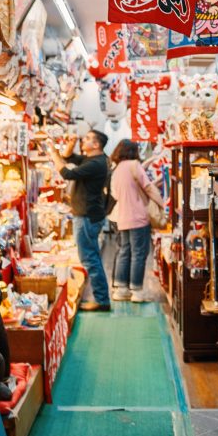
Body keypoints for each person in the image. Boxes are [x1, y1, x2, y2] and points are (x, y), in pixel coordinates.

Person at [49, 130, 111, 312]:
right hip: (87, 215)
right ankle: (102, 297)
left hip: (86, 217)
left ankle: (102, 300)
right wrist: (72, 142)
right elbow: (69, 156)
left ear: (96, 145)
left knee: (90, 259)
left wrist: (53, 153)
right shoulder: (92, 159)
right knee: (91, 257)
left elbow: (67, 173)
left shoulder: (97, 164)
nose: (84, 140)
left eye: (88, 138)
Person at [109, 139, 164, 303]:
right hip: (138, 216)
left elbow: (115, 194)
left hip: (122, 217)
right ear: (133, 151)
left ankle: (121, 289)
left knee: (125, 251)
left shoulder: (117, 169)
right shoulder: (134, 165)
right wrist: (162, 204)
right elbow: (147, 187)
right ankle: (137, 291)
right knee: (139, 254)